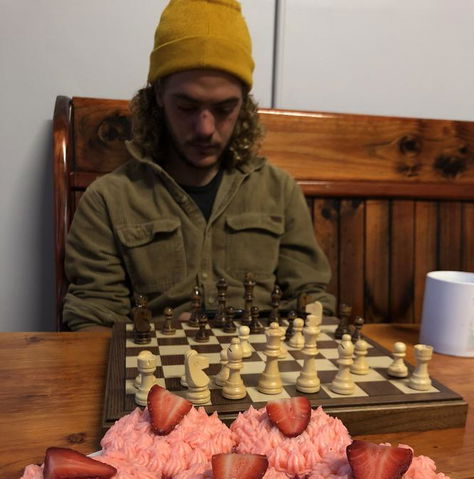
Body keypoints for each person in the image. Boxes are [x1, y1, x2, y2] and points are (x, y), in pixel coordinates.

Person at [62, 0, 335, 331]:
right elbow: (93, 319)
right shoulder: (108, 200)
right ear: (159, 95)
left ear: (244, 105)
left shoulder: (279, 190)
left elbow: (311, 301)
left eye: (224, 109)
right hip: (155, 362)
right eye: (187, 107)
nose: (205, 128)